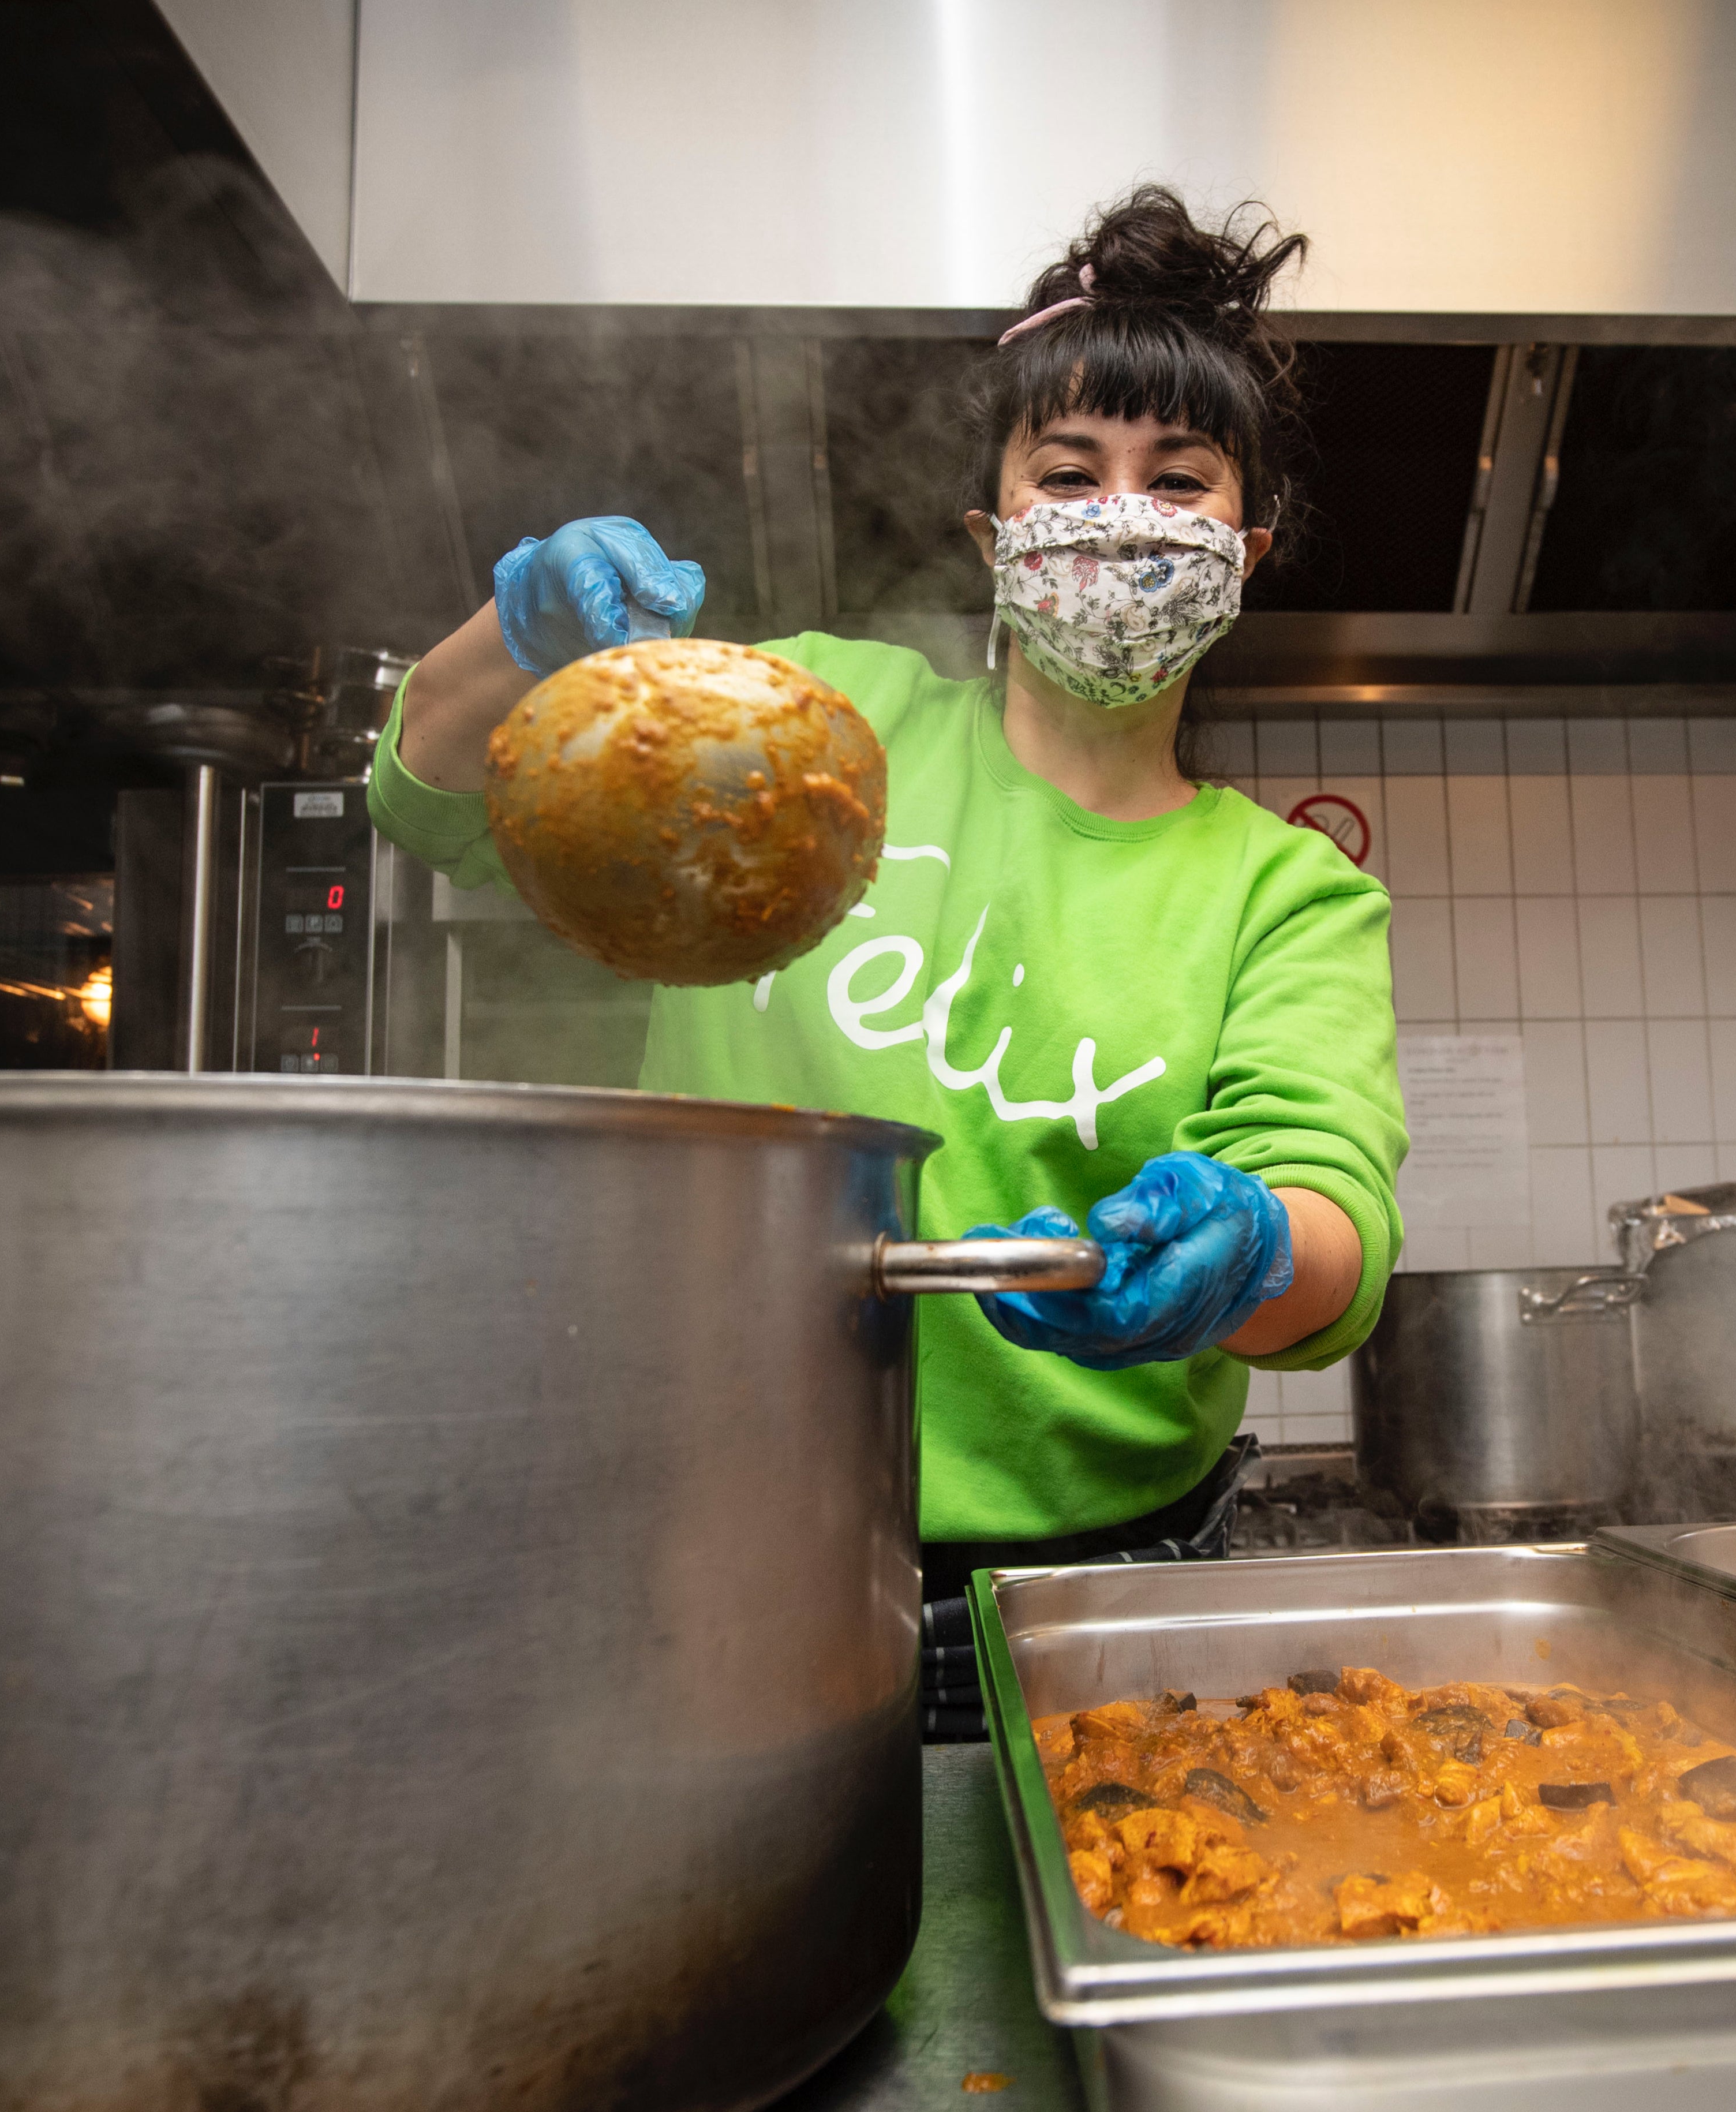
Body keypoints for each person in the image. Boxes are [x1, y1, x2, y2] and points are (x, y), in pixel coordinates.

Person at [366, 188, 1406, 1737]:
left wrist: (1247, 1251)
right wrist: (518, 636)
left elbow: (1336, 1227)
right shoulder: (817, 729)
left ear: (1242, 550)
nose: (1119, 514)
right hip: (726, 1558)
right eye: (1067, 473)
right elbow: (437, 791)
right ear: (995, 533)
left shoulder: (1282, 890)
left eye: (1176, 480)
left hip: (1107, 1601)